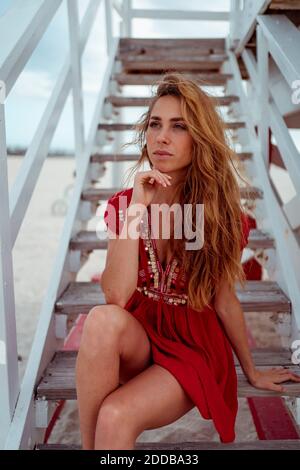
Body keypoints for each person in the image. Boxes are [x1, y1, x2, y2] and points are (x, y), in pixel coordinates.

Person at [75, 73, 300, 450]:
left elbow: (224, 300)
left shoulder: (220, 216)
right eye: (155, 124)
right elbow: (116, 294)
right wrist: (137, 208)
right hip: (140, 334)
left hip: (192, 345)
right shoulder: (125, 205)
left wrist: (251, 369)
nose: (162, 137)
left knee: (115, 416)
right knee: (101, 319)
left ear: (200, 139)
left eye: (179, 127)